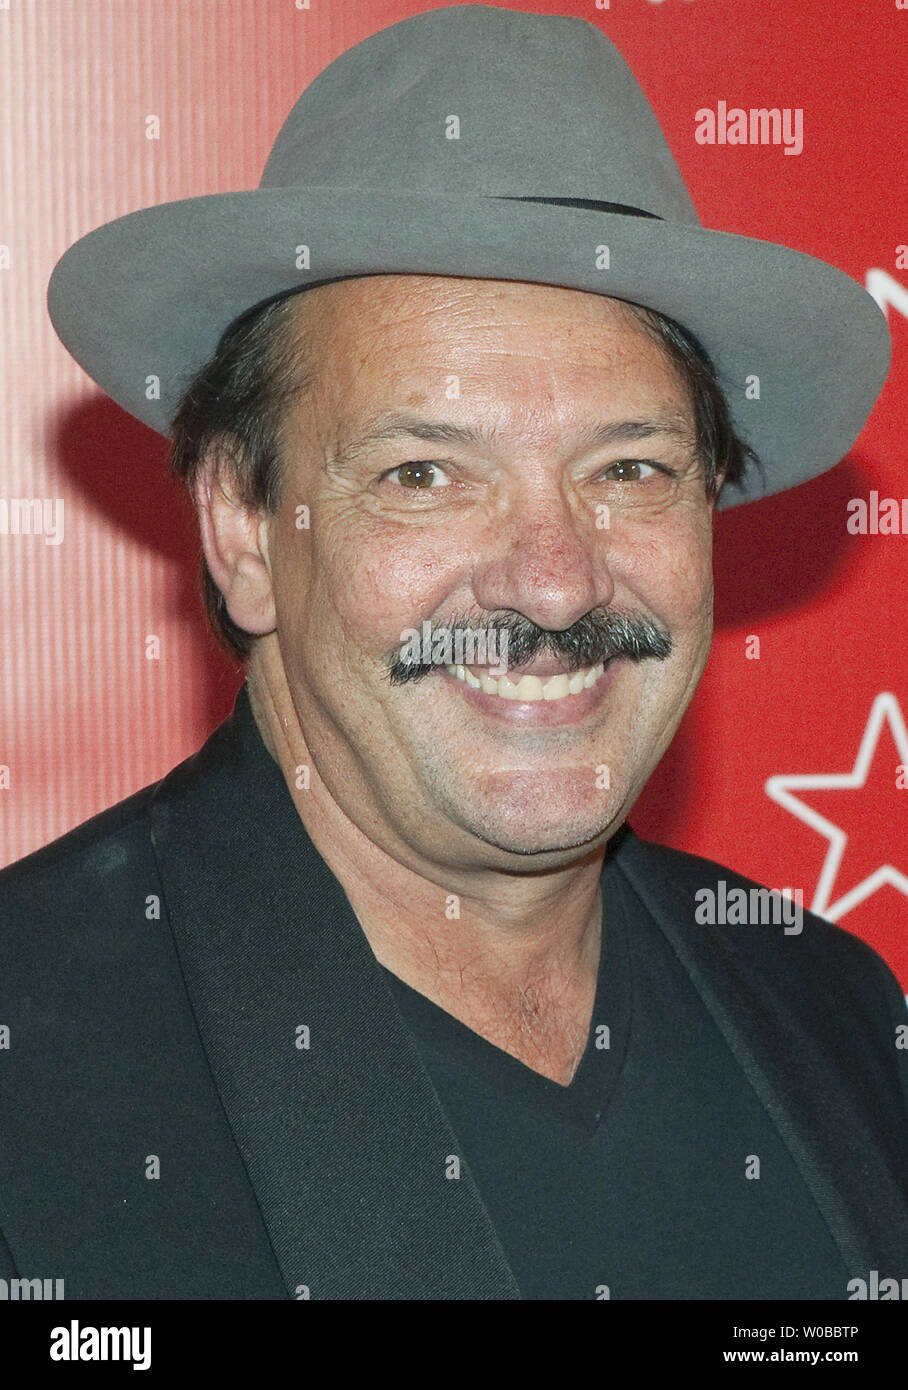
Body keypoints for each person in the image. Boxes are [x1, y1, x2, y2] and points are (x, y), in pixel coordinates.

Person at [2, 3, 906, 1301]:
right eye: (426, 472)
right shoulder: (33, 1062)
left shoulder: (839, 1017)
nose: (552, 579)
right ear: (243, 524)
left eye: (631, 467)